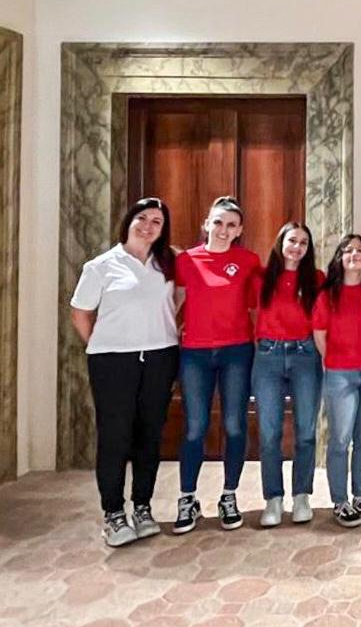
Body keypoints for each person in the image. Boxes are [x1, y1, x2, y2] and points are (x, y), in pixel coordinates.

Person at [70, 197, 181, 547]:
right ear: (129, 221)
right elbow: (81, 314)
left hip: (160, 356)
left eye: (157, 222)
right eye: (142, 218)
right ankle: (114, 513)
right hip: (113, 360)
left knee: (150, 433)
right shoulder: (101, 266)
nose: (148, 226)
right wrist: (105, 343)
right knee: (116, 435)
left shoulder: (168, 264)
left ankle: (143, 506)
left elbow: (178, 301)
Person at [173, 196, 261, 534]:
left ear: (239, 230)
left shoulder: (248, 261)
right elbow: (174, 302)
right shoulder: (187, 261)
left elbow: (256, 307)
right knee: (195, 427)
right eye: (218, 222)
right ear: (207, 224)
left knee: (235, 426)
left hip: (236, 351)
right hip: (195, 353)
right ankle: (187, 497)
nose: (224, 230)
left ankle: (229, 495)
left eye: (231, 225)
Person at [313, 235, 361, 528]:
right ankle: (340, 500)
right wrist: (335, 359)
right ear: (340, 258)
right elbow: (319, 334)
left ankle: (360, 496)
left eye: (360, 250)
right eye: (348, 250)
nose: (355, 255)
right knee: (341, 440)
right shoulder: (327, 294)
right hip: (340, 374)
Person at [252, 222, 324, 527]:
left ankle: (301, 496)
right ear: (281, 242)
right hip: (268, 356)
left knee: (306, 431)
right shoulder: (261, 278)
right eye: (292, 240)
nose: (296, 247)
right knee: (269, 433)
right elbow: (250, 313)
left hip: (305, 355)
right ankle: (273, 498)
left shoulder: (317, 279)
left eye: (303, 243)